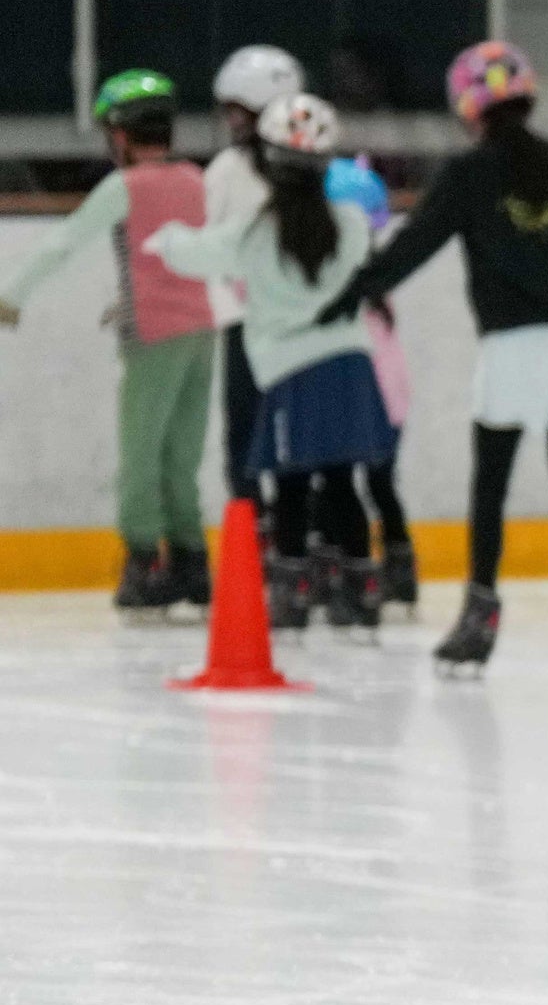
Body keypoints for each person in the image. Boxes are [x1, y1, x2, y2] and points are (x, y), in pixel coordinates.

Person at [326, 40, 548, 675]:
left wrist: (357, 289)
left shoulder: (468, 175)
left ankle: (479, 618)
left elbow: (417, 242)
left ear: (469, 104)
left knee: (491, 486)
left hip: (512, 343)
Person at [150, 93, 383, 633]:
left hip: (291, 370)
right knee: (342, 480)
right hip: (349, 366)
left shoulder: (255, 232)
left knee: (293, 485)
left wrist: (162, 239)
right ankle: (360, 585)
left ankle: (294, 588)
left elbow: (198, 251)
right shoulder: (349, 223)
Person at [0, 67, 217, 619]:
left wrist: (12, 295)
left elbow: (63, 243)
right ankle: (192, 563)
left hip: (154, 335)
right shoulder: (196, 179)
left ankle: (144, 564)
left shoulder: (126, 186)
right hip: (201, 331)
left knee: (142, 452)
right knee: (181, 454)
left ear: (119, 135)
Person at [202, 42, 304, 521]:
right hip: (262, 323)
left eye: (237, 111)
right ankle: (260, 527)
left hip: (274, 325)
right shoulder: (230, 170)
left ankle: (280, 529)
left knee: (266, 433)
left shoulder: (292, 171)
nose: (230, 121)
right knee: (260, 432)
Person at [325, 154, 421, 617]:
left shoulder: (352, 281)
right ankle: (398, 572)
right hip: (388, 399)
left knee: (343, 483)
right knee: (379, 485)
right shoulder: (373, 276)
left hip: (372, 400)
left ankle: (353, 570)